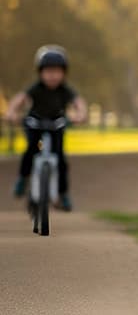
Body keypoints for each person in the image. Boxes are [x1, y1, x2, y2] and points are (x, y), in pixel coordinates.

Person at [5, 45, 88, 210]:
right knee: (30, 150)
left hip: (57, 123)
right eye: (48, 72)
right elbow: (20, 99)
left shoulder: (65, 90)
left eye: (57, 72)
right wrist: (11, 112)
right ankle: (23, 179)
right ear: (40, 72)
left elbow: (79, 102)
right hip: (35, 123)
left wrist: (82, 114)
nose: (52, 76)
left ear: (64, 73)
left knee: (61, 160)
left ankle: (63, 194)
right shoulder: (36, 88)